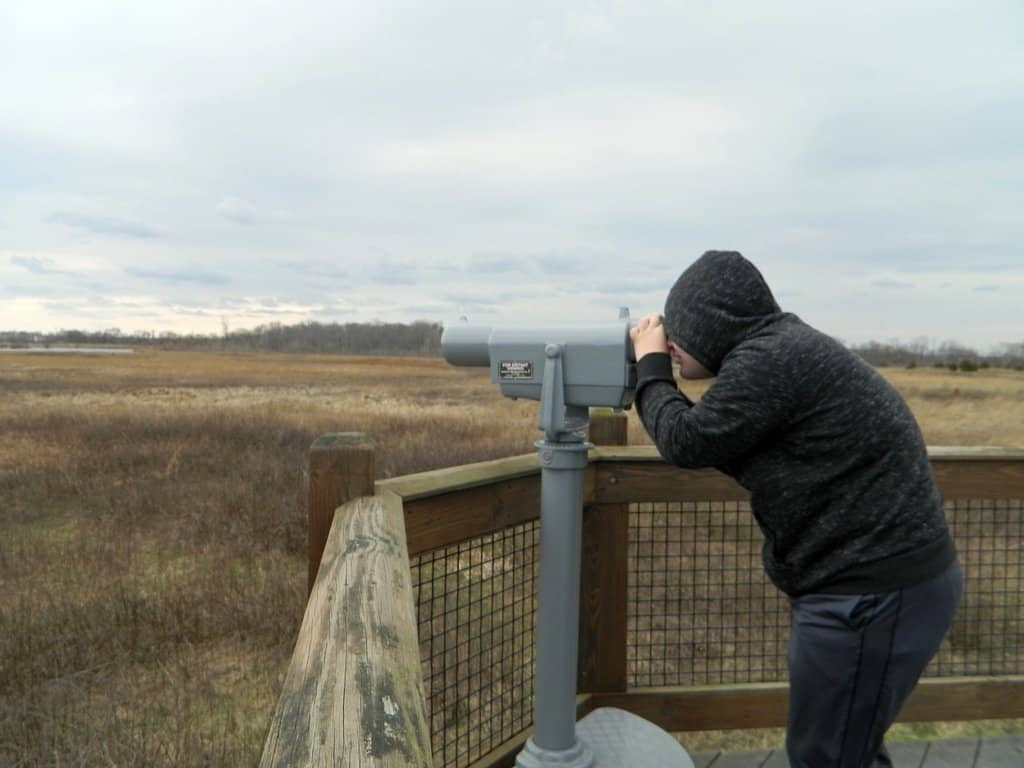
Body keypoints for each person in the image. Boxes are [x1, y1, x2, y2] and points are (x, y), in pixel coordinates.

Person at [628, 250, 962, 768]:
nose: (671, 344)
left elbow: (686, 440)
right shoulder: (780, 351)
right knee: (842, 749)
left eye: (679, 332)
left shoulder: (772, 359)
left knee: (824, 756)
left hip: (870, 590)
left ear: (715, 325)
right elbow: (736, 447)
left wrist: (649, 366)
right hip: (872, 584)